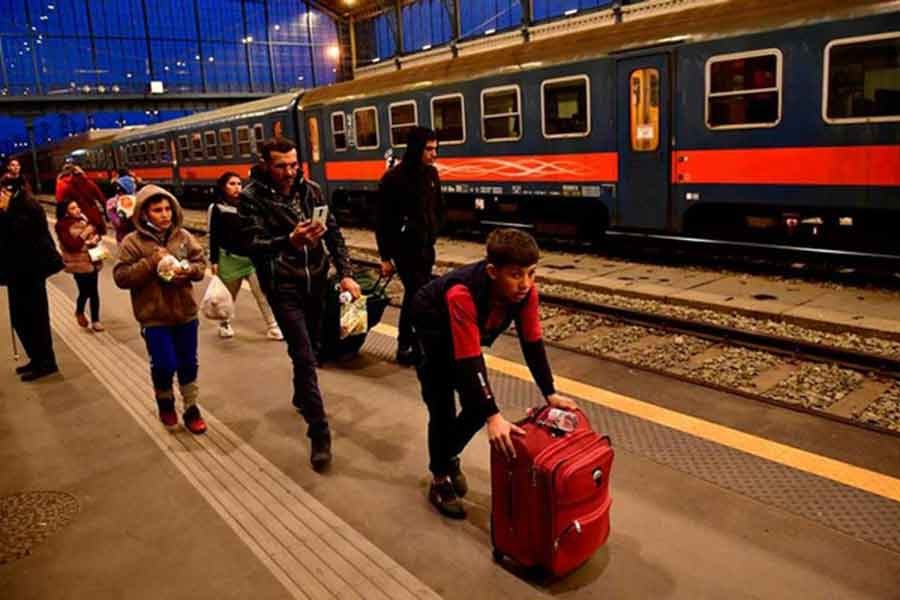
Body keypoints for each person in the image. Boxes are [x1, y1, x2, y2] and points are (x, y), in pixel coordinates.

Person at [411, 228, 579, 519]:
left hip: (465, 339)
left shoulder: (527, 294)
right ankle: (439, 480)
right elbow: (468, 359)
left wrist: (549, 392)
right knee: (443, 410)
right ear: (492, 271)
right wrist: (493, 416)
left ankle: (446, 458)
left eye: (531, 273)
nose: (525, 283)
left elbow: (532, 343)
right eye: (516, 274)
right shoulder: (462, 293)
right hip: (432, 329)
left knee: (478, 407)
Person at [239, 136, 360, 471]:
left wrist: (346, 273)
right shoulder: (251, 198)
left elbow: (332, 232)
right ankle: (319, 432)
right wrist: (288, 240)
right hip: (284, 285)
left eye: (293, 164)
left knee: (314, 349)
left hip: (318, 281)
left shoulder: (311, 190)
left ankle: (300, 395)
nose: (290, 171)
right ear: (265, 164)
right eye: (281, 165)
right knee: (304, 356)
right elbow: (252, 243)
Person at [113, 185, 208, 435]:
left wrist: (189, 270)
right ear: (144, 214)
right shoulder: (132, 242)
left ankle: (191, 407)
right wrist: (151, 262)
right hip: (154, 317)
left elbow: (200, 264)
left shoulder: (183, 237)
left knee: (189, 362)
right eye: (157, 210)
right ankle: (165, 401)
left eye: (167, 209)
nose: (165, 214)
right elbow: (121, 277)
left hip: (186, 314)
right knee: (164, 364)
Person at [376, 127, 444, 365]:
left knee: (417, 296)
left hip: (426, 248)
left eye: (436, 148)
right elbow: (382, 220)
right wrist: (385, 257)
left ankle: (413, 344)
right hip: (404, 250)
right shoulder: (393, 179)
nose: (434, 154)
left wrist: (433, 229)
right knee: (418, 295)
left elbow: (438, 207)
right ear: (416, 149)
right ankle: (406, 345)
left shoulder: (432, 175)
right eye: (429, 149)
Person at [0, 174, 63, 381]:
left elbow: (20, 238)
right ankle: (36, 359)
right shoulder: (15, 208)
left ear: (10, 192)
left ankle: (46, 362)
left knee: (34, 320)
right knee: (21, 319)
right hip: (18, 275)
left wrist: (5, 213)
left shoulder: (27, 208)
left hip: (30, 274)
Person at [207, 171, 282, 341]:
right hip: (230, 259)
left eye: (239, 184)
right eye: (232, 184)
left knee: (262, 293)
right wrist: (213, 260)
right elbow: (213, 235)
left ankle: (273, 326)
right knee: (227, 297)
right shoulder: (216, 208)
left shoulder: (247, 205)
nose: (237, 187)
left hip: (251, 259)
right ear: (223, 187)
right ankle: (224, 323)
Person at [55, 198, 104, 331]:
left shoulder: (83, 219)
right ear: (65, 212)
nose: (77, 210)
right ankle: (79, 311)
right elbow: (72, 245)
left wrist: (95, 238)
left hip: (92, 260)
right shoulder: (62, 226)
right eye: (73, 208)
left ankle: (96, 320)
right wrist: (86, 233)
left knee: (94, 291)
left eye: (77, 206)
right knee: (85, 291)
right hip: (77, 264)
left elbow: (96, 233)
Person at [56, 164, 107, 237]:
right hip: (93, 216)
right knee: (94, 239)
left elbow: (60, 203)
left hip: (76, 218)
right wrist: (106, 213)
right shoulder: (88, 182)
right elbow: (101, 198)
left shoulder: (63, 185)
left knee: (81, 240)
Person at [106, 174, 137, 243]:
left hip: (136, 238)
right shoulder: (112, 204)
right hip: (123, 239)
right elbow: (117, 223)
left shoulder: (137, 200)